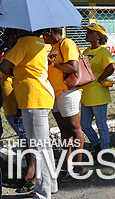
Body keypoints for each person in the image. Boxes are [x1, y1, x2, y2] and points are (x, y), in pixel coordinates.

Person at [0, 29, 58, 198]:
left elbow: (4, 66)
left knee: (38, 147)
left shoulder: (24, 43)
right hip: (41, 96)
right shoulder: (40, 43)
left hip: (32, 98)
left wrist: (14, 71)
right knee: (43, 146)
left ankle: (43, 192)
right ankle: (51, 184)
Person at [43, 27, 85, 181]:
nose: (43, 38)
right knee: (64, 129)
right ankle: (67, 164)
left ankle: (79, 166)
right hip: (56, 93)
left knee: (74, 128)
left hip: (68, 91)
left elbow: (72, 67)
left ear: (49, 31)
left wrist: (52, 64)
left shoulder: (66, 43)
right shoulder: (53, 48)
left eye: (44, 35)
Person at [0, 29, 37, 193]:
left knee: (29, 139)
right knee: (24, 140)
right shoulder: (7, 52)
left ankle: (33, 175)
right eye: (5, 36)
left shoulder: (20, 52)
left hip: (19, 103)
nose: (6, 39)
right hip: (8, 106)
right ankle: (28, 173)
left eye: (10, 36)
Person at [80, 23, 115, 161]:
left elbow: (112, 66)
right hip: (86, 93)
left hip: (98, 93)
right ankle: (97, 146)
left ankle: (105, 150)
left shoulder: (103, 51)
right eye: (87, 31)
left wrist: (101, 78)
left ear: (98, 36)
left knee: (101, 123)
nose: (87, 34)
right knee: (84, 125)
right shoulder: (86, 51)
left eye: (90, 32)